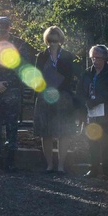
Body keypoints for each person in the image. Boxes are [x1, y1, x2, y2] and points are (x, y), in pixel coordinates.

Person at [0, 16, 36, 171]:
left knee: (12, 126)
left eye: (4, 27)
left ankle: (11, 161)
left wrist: (8, 84)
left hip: (12, 91)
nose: (0, 29)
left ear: (9, 27)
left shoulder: (19, 44)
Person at [33, 26, 78, 174]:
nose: (53, 43)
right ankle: (49, 165)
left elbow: (70, 77)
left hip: (63, 97)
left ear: (60, 40)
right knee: (46, 132)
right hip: (45, 97)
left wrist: (57, 90)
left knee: (63, 132)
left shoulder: (67, 56)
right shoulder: (41, 56)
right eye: (50, 40)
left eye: (56, 40)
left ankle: (61, 165)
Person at [78, 45, 108, 179]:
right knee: (92, 143)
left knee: (106, 143)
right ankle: (93, 169)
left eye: (98, 58)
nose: (95, 61)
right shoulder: (87, 73)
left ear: (105, 58)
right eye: (93, 58)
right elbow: (80, 91)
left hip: (107, 114)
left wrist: (95, 101)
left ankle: (107, 171)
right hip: (91, 114)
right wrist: (86, 101)